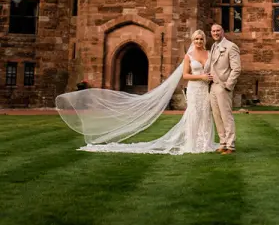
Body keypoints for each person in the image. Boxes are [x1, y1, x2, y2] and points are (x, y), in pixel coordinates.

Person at [56, 30, 219, 155]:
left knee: (206, 114)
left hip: (205, 90)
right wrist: (202, 76)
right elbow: (185, 75)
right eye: (196, 39)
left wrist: (211, 78)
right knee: (194, 114)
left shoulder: (209, 53)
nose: (199, 41)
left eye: (201, 39)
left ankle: (205, 143)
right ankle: (192, 143)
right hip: (195, 88)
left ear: (204, 40)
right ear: (193, 41)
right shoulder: (188, 56)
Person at [207, 23, 242, 154]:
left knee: (226, 116)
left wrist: (228, 85)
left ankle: (230, 145)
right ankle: (223, 143)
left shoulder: (231, 47)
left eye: (218, 30)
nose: (215, 33)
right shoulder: (213, 46)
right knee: (217, 116)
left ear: (223, 32)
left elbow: (236, 68)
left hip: (223, 86)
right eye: (213, 31)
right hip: (213, 86)